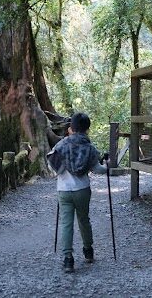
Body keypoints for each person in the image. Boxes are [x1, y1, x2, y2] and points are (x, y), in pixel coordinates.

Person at [46, 112, 108, 273]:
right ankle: (88, 251)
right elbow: (98, 169)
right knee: (84, 220)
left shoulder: (61, 145)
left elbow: (51, 159)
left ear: (71, 128)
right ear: (87, 129)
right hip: (82, 189)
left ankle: (68, 259)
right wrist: (107, 167)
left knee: (66, 223)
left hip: (64, 190)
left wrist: (60, 170)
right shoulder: (89, 148)